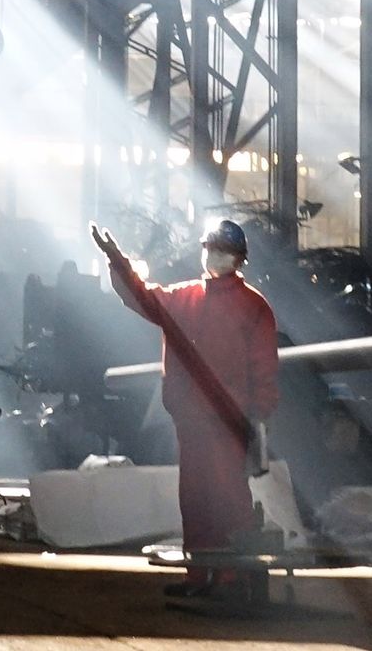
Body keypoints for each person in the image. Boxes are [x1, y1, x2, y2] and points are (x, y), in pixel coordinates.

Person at [90, 219, 279, 598]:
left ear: (238, 258)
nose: (214, 255)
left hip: (227, 421)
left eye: (221, 250)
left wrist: (258, 414)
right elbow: (140, 296)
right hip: (195, 419)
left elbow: (264, 367)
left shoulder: (249, 305)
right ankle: (202, 575)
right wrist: (116, 260)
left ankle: (230, 578)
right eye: (211, 248)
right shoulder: (188, 298)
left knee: (226, 498)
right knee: (196, 499)